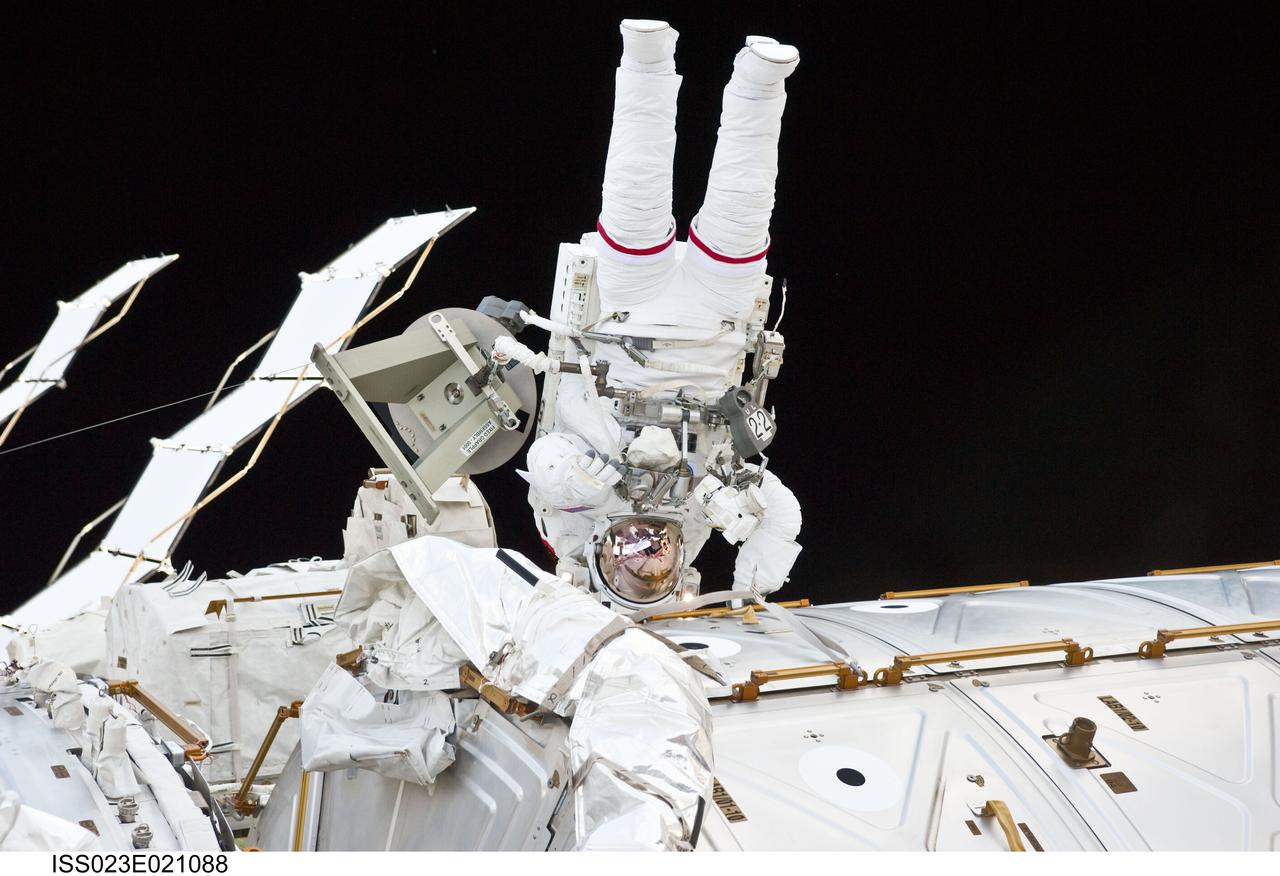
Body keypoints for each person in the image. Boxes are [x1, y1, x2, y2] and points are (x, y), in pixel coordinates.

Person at [522, 20, 803, 603]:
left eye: (633, 562)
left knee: (635, 194)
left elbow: (543, 456)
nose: (647, 550)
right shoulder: (702, 519)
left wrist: (574, 476)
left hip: (624, 324)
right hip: (714, 333)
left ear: (602, 559)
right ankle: (762, 81)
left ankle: (646, 60)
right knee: (744, 206)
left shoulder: (569, 527)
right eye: (657, 565)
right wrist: (755, 581)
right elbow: (780, 511)